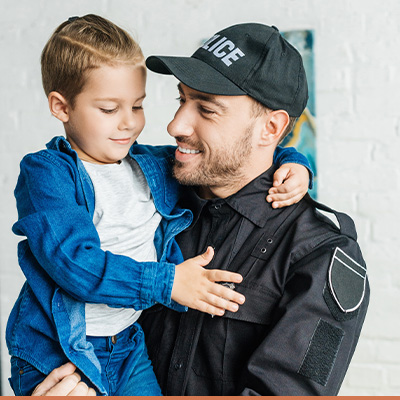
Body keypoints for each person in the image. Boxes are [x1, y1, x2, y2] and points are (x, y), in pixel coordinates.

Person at [6, 16, 312, 396]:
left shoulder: (146, 168)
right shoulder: (49, 174)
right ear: (60, 107)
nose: (131, 124)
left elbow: (231, 154)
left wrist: (295, 160)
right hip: (61, 350)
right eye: (108, 109)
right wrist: (167, 283)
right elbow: (73, 263)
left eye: (137, 106)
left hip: (127, 346)